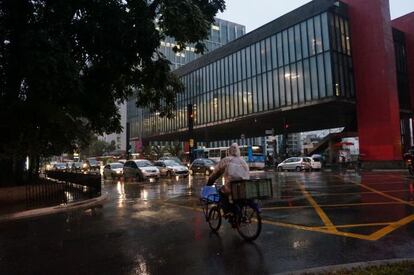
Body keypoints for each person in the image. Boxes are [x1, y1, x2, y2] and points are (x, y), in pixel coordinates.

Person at [207, 143, 250, 217]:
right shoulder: (243, 161)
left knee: (222, 192)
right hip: (243, 185)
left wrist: (210, 180)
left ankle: (227, 211)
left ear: (230, 151)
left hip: (231, 186)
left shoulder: (227, 160)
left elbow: (216, 172)